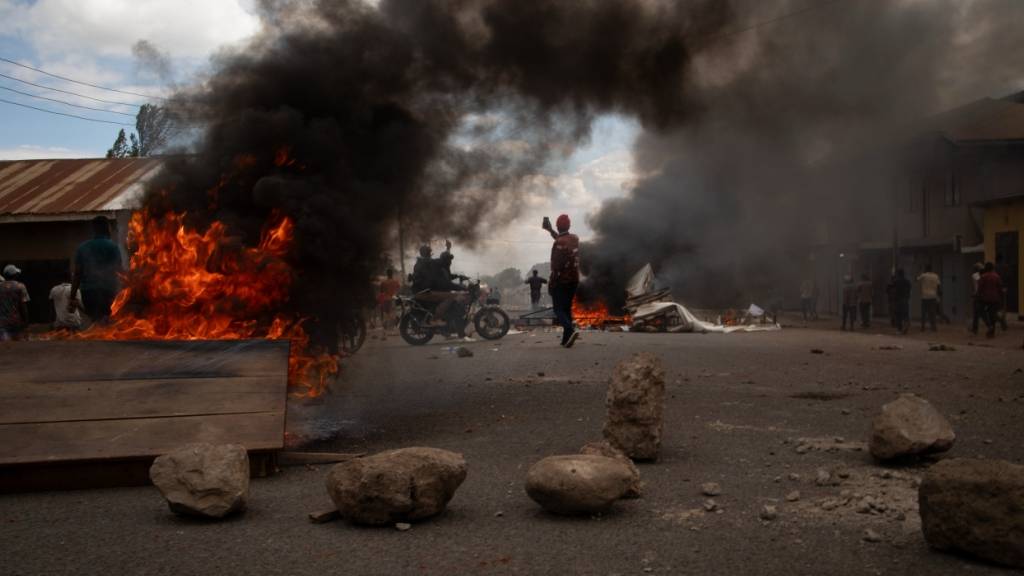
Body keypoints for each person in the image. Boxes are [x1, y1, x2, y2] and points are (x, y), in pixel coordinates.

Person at [70, 216, 122, 323]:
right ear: (107, 228)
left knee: (95, 319)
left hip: (88, 292)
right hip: (108, 290)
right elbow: (119, 271)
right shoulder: (113, 247)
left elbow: (77, 274)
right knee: (106, 320)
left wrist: (72, 296)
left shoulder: (82, 247)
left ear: (94, 229)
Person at [544, 214, 580, 348]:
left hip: (561, 281)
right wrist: (550, 230)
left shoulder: (558, 242)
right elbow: (563, 240)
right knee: (567, 309)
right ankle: (566, 340)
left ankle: (570, 329)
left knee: (558, 309)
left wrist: (552, 283)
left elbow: (557, 266)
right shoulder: (575, 238)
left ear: (558, 226)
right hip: (574, 280)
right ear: (569, 226)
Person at [0, 265, 30, 341]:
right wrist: (26, 322)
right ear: (15, 275)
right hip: (16, 322)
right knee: (17, 347)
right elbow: (23, 306)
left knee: (5, 347)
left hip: (2, 323)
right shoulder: (20, 286)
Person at [977, 262, 1004, 338]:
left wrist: (978, 296)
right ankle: (992, 333)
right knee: (993, 315)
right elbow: (1000, 288)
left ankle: (989, 326)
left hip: (985, 299)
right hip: (995, 299)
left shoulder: (983, 277)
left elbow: (980, 288)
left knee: (981, 311)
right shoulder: (997, 277)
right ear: (993, 268)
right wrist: (1001, 298)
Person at [916, 264, 940, 332]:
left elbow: (916, 279)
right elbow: (938, 286)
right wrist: (938, 295)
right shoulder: (936, 276)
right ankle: (934, 327)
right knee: (932, 313)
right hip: (933, 296)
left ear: (926, 269)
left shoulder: (923, 275)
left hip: (925, 296)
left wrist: (919, 271)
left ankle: (923, 327)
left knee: (924, 313)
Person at [893, 269, 911, 334]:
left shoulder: (896, 281)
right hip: (905, 299)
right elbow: (909, 290)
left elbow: (893, 290)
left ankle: (899, 329)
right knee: (905, 314)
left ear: (898, 274)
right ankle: (906, 325)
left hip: (898, 300)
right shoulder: (907, 281)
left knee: (898, 315)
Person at [970, 262, 983, 335]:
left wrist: (974, 294)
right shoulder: (984, 275)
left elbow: (976, 287)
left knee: (976, 313)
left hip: (978, 296)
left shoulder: (975, 275)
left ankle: (975, 329)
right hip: (984, 295)